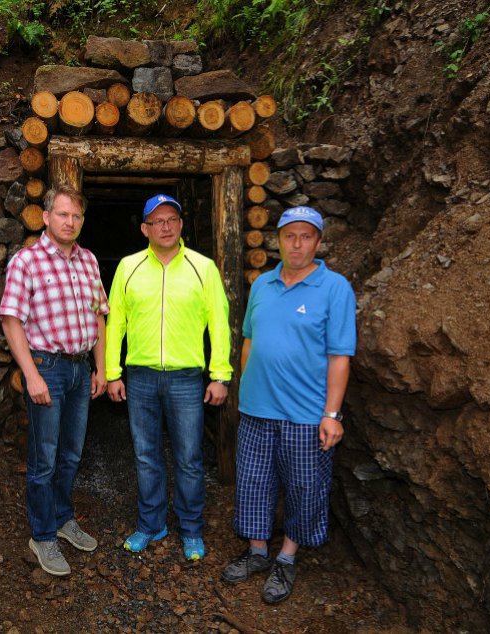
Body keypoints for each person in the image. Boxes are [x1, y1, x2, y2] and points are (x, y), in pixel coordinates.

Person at [221, 206, 356, 603]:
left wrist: (332, 414)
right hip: (257, 409)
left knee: (304, 487)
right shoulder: (262, 285)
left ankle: (287, 557)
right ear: (277, 240)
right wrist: (246, 388)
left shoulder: (334, 288)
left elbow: (339, 356)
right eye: (290, 236)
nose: (297, 244)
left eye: (306, 236)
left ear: (317, 241)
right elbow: (248, 339)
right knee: (253, 483)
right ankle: (258, 552)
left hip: (306, 414)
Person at [105, 194, 233, 561]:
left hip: (186, 378)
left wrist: (219, 375)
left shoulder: (203, 267)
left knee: (189, 457)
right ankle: (151, 524)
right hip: (141, 376)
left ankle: (191, 529)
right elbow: (116, 324)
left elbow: (218, 323)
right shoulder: (128, 267)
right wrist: (113, 373)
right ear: (145, 228)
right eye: (157, 221)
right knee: (146, 456)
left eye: (172, 219)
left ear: (181, 225)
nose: (165, 226)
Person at [0, 185, 109, 577]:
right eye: (62, 214)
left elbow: (99, 316)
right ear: (46, 217)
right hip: (46, 366)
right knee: (44, 459)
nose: (70, 222)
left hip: (80, 369)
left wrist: (101, 368)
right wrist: (31, 375)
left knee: (72, 454)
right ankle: (42, 534)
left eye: (76, 216)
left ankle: (63, 519)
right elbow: (11, 319)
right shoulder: (26, 262)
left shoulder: (89, 261)